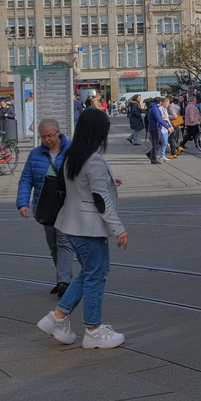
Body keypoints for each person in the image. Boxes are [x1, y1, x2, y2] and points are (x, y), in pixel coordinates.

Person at [36, 107, 128, 350]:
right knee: (96, 275)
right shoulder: (94, 158)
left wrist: (109, 180)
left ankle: (57, 317)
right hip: (89, 227)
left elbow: (82, 187)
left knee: (89, 272)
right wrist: (118, 228)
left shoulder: (73, 155)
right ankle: (94, 329)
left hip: (71, 224)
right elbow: (100, 199)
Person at [17, 118, 77, 296]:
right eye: (43, 137)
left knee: (63, 242)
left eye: (50, 135)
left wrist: (107, 179)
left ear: (58, 132)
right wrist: (22, 203)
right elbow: (26, 179)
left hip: (68, 204)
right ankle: (63, 277)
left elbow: (89, 169)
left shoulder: (73, 149)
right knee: (53, 245)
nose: (46, 140)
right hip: (46, 205)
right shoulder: (35, 154)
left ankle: (64, 282)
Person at [146, 96, 169, 164]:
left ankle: (151, 154)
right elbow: (159, 119)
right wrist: (168, 127)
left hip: (158, 128)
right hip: (155, 128)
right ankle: (153, 159)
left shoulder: (156, 108)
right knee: (156, 143)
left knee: (162, 142)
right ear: (160, 102)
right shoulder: (154, 109)